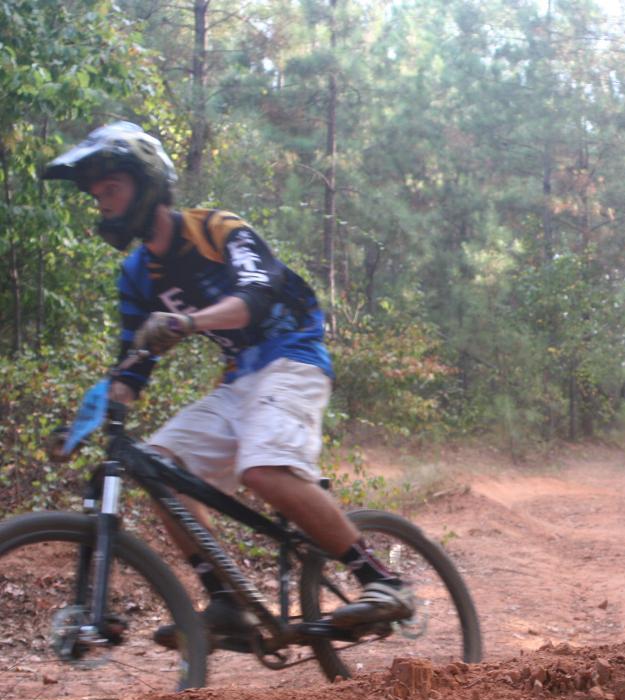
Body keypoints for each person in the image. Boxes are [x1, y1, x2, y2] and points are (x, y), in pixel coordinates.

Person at [43, 121, 413, 645]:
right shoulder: (136, 274)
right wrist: (87, 422)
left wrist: (187, 323)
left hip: (294, 355)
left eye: (112, 189)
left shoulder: (216, 228)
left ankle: (380, 580)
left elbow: (257, 296)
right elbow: (132, 364)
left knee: (261, 469)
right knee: (160, 468)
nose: (103, 203)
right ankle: (227, 601)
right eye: (97, 194)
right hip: (240, 376)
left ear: (146, 184)